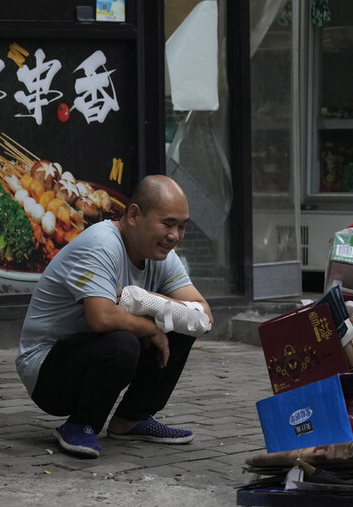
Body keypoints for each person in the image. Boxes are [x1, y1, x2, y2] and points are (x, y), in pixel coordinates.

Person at [15, 175, 213, 458]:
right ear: (134, 215)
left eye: (181, 227)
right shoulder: (101, 243)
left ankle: (131, 419)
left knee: (182, 323)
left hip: (91, 352)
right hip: (47, 372)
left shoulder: (163, 255)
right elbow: (102, 318)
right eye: (167, 224)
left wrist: (151, 302)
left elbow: (202, 316)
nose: (175, 236)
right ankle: (81, 424)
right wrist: (152, 328)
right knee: (125, 340)